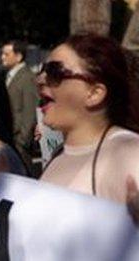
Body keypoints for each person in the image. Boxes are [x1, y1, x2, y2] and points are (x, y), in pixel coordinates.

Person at [36, 34, 139, 214]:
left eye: (54, 72)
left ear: (94, 93)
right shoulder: (59, 154)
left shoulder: (130, 154)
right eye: (42, 71)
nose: (40, 80)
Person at [1, 40, 39, 174]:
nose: (2, 57)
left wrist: (23, 140)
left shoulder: (27, 77)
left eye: (6, 54)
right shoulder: (10, 76)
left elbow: (30, 110)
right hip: (9, 138)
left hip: (19, 142)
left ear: (18, 56)